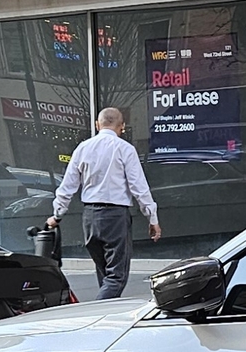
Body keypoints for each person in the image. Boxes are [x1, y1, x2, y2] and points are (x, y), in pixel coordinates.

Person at [46, 108, 160, 299]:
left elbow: (67, 186)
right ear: (122, 127)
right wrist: (152, 217)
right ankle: (95, 316)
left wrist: (57, 215)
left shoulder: (83, 148)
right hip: (116, 216)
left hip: (90, 216)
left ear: (97, 125)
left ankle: (106, 318)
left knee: (105, 274)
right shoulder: (125, 149)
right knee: (116, 277)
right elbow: (138, 187)